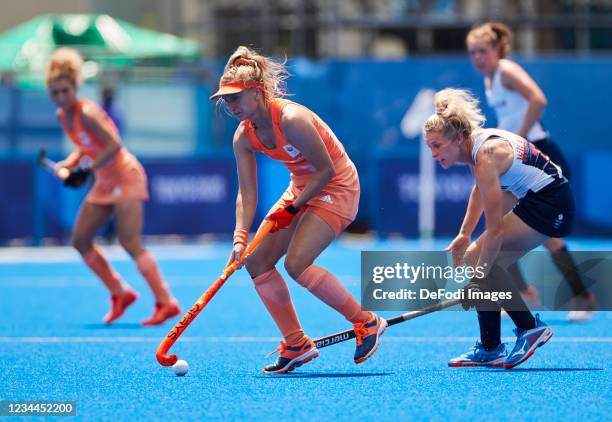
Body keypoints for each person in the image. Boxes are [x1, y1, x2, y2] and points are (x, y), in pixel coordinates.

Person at [210, 46, 386, 374]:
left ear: (258, 92)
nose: (229, 105)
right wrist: (239, 237)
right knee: (256, 261)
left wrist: (293, 209)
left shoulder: (292, 119)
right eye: (225, 99)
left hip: (337, 187)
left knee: (297, 263)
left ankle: (366, 322)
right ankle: (296, 344)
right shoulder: (243, 137)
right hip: (301, 188)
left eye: (235, 97)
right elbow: (246, 192)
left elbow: (326, 171)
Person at [424, 88, 572, 368]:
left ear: (457, 138)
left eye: (437, 145)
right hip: (534, 199)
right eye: (429, 146)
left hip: (552, 204)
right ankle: (491, 346)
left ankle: (530, 329)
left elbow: (495, 232)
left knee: (486, 265)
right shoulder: (473, 148)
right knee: (473, 257)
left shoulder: (486, 156)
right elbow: (480, 191)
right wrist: (464, 233)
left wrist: (478, 281)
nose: (433, 153)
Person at [466, 22, 596, 321]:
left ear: (497, 49)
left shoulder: (507, 71)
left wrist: (519, 137)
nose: (477, 57)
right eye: (472, 52)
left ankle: (582, 295)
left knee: (547, 236)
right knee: (499, 227)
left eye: (483, 51)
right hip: (517, 162)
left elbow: (539, 99)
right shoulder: (489, 81)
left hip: (539, 154)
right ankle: (524, 293)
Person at [46, 47, 181, 326]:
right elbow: (86, 146)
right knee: (80, 241)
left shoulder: (87, 112)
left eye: (65, 91)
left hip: (125, 176)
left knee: (129, 242)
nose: (60, 97)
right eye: (55, 92)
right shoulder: (64, 116)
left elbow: (113, 145)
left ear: (75, 88)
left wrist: (86, 169)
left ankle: (166, 302)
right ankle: (120, 293)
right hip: (105, 180)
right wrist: (69, 163)